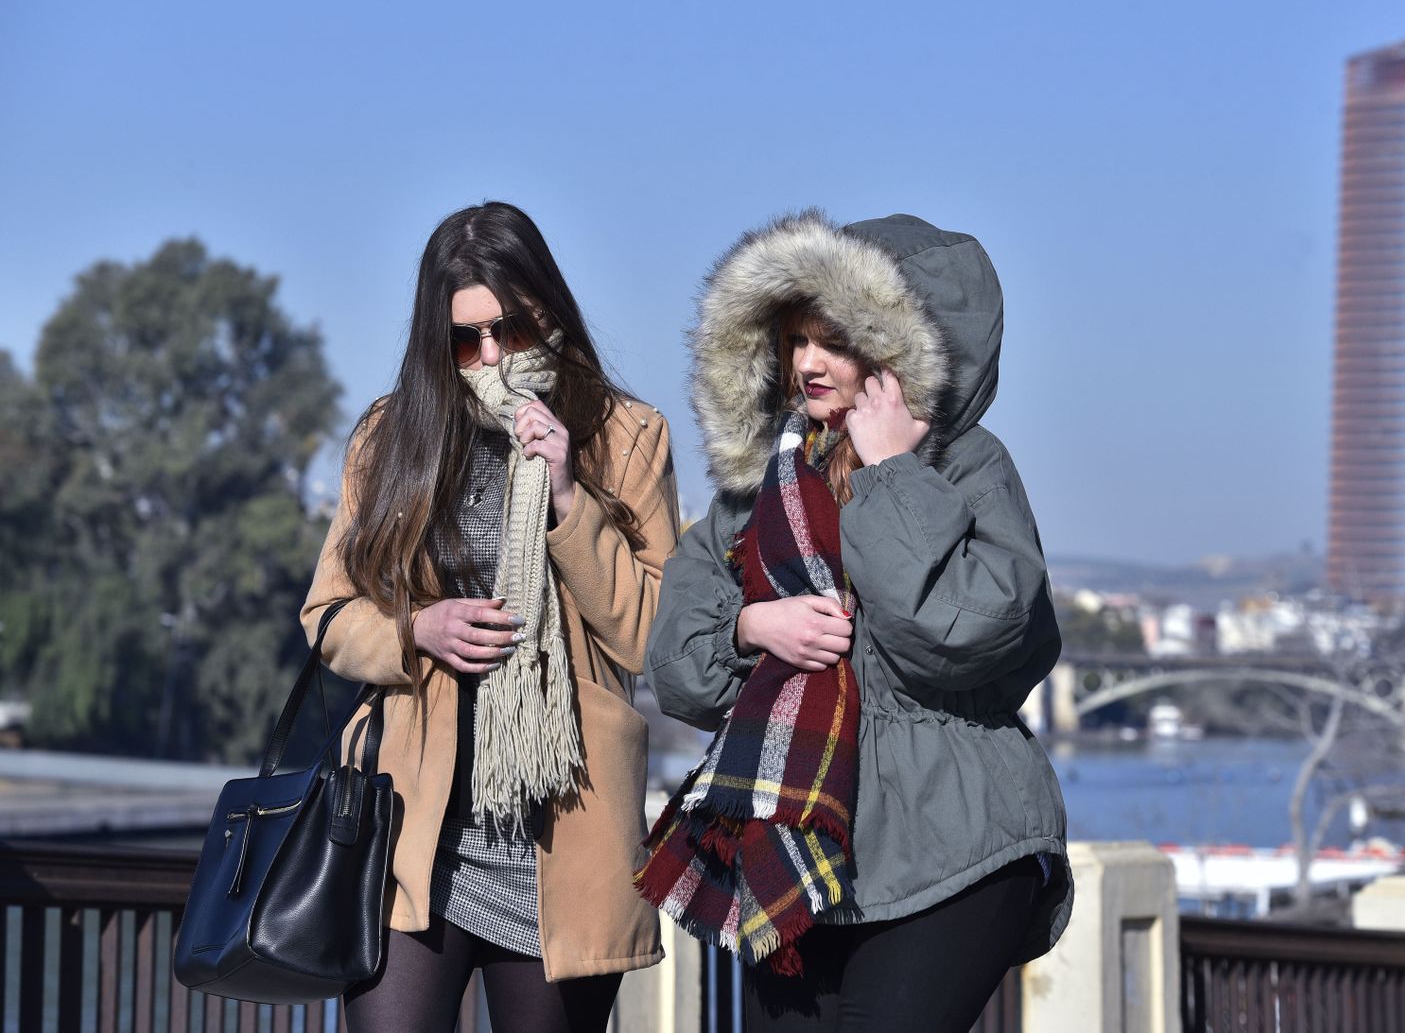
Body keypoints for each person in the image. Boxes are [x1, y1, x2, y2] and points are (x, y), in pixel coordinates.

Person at [640, 211, 1072, 1032]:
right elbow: (679, 671)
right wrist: (753, 629)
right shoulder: (759, 489)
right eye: (795, 339)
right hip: (799, 844)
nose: (807, 362)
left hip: (952, 845)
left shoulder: (970, 467)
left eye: (833, 341)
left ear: (896, 345)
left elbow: (957, 633)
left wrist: (892, 473)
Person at [301, 201, 674, 1032]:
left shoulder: (627, 437)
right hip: (413, 840)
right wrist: (414, 632)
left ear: (551, 311)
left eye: (510, 329)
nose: (492, 358)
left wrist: (572, 498)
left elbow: (651, 636)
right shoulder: (391, 437)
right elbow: (327, 614)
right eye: (465, 340)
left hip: (561, 836)